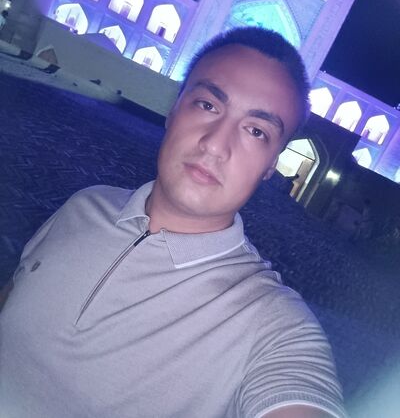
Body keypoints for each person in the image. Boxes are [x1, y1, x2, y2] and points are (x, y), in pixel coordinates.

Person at [0, 27, 346, 417]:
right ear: (174, 110)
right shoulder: (84, 205)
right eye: (207, 105)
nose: (215, 144)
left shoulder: (270, 323)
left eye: (256, 131)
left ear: (270, 166)